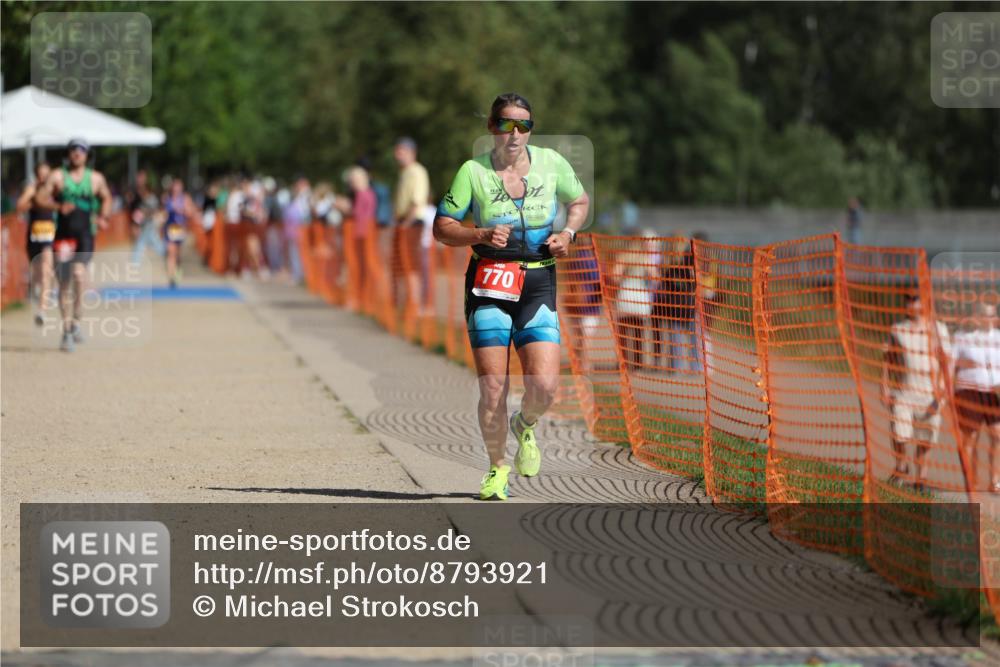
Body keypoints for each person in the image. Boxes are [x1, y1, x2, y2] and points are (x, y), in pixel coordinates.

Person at [434, 92, 590, 500]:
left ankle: (525, 425)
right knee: (493, 388)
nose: (515, 133)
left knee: (546, 386)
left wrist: (568, 233)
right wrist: (480, 233)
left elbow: (579, 201)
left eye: (524, 125)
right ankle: (496, 468)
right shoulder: (473, 171)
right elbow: (442, 227)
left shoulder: (552, 163)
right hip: (489, 283)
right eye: (506, 124)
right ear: (492, 127)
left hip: (538, 283)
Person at [34, 138, 112, 352]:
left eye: (82, 150)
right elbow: (39, 198)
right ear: (68, 154)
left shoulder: (95, 178)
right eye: (73, 150)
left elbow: (107, 198)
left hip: (85, 235)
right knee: (64, 283)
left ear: (87, 155)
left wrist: (104, 216)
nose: (77, 153)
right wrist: (58, 206)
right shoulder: (58, 176)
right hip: (63, 236)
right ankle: (67, 330)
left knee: (79, 274)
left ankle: (76, 320)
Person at [880, 293, 951, 490]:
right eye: (908, 298)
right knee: (899, 432)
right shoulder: (898, 330)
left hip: (931, 395)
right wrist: (884, 385)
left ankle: (921, 480)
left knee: (925, 439)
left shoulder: (938, 330)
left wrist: (943, 390)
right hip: (904, 392)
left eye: (915, 298)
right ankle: (901, 467)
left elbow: (947, 362)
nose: (911, 303)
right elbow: (888, 358)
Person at [952, 302, 1000, 492]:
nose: (989, 319)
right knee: (971, 437)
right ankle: (971, 479)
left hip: (992, 392)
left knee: (997, 435)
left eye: (992, 315)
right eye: (985, 315)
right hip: (968, 391)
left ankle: (994, 479)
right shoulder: (962, 337)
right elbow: (951, 364)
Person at [393, 137, 433, 318]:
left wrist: (406, 224)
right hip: (405, 221)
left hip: (412, 222)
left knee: (412, 265)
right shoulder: (405, 172)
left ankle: (416, 304)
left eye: (401, 150)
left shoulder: (416, 172)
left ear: (412, 152)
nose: (397, 154)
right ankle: (409, 302)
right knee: (405, 264)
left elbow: (416, 202)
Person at [16, 162, 55, 326]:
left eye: (46, 174)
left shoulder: (54, 189)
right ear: (37, 175)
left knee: (46, 270)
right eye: (41, 174)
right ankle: (35, 290)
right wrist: (35, 203)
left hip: (49, 236)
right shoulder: (32, 189)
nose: (43, 177)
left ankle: (42, 311)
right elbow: (20, 205)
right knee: (37, 272)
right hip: (34, 236)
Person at [162, 178, 195, 288]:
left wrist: (181, 210)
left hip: (179, 228)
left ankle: (178, 270)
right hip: (169, 228)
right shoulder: (168, 198)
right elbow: (165, 213)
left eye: (178, 186)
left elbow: (190, 213)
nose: (176, 189)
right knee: (171, 252)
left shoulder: (185, 198)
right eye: (175, 186)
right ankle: (171, 277)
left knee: (177, 254)